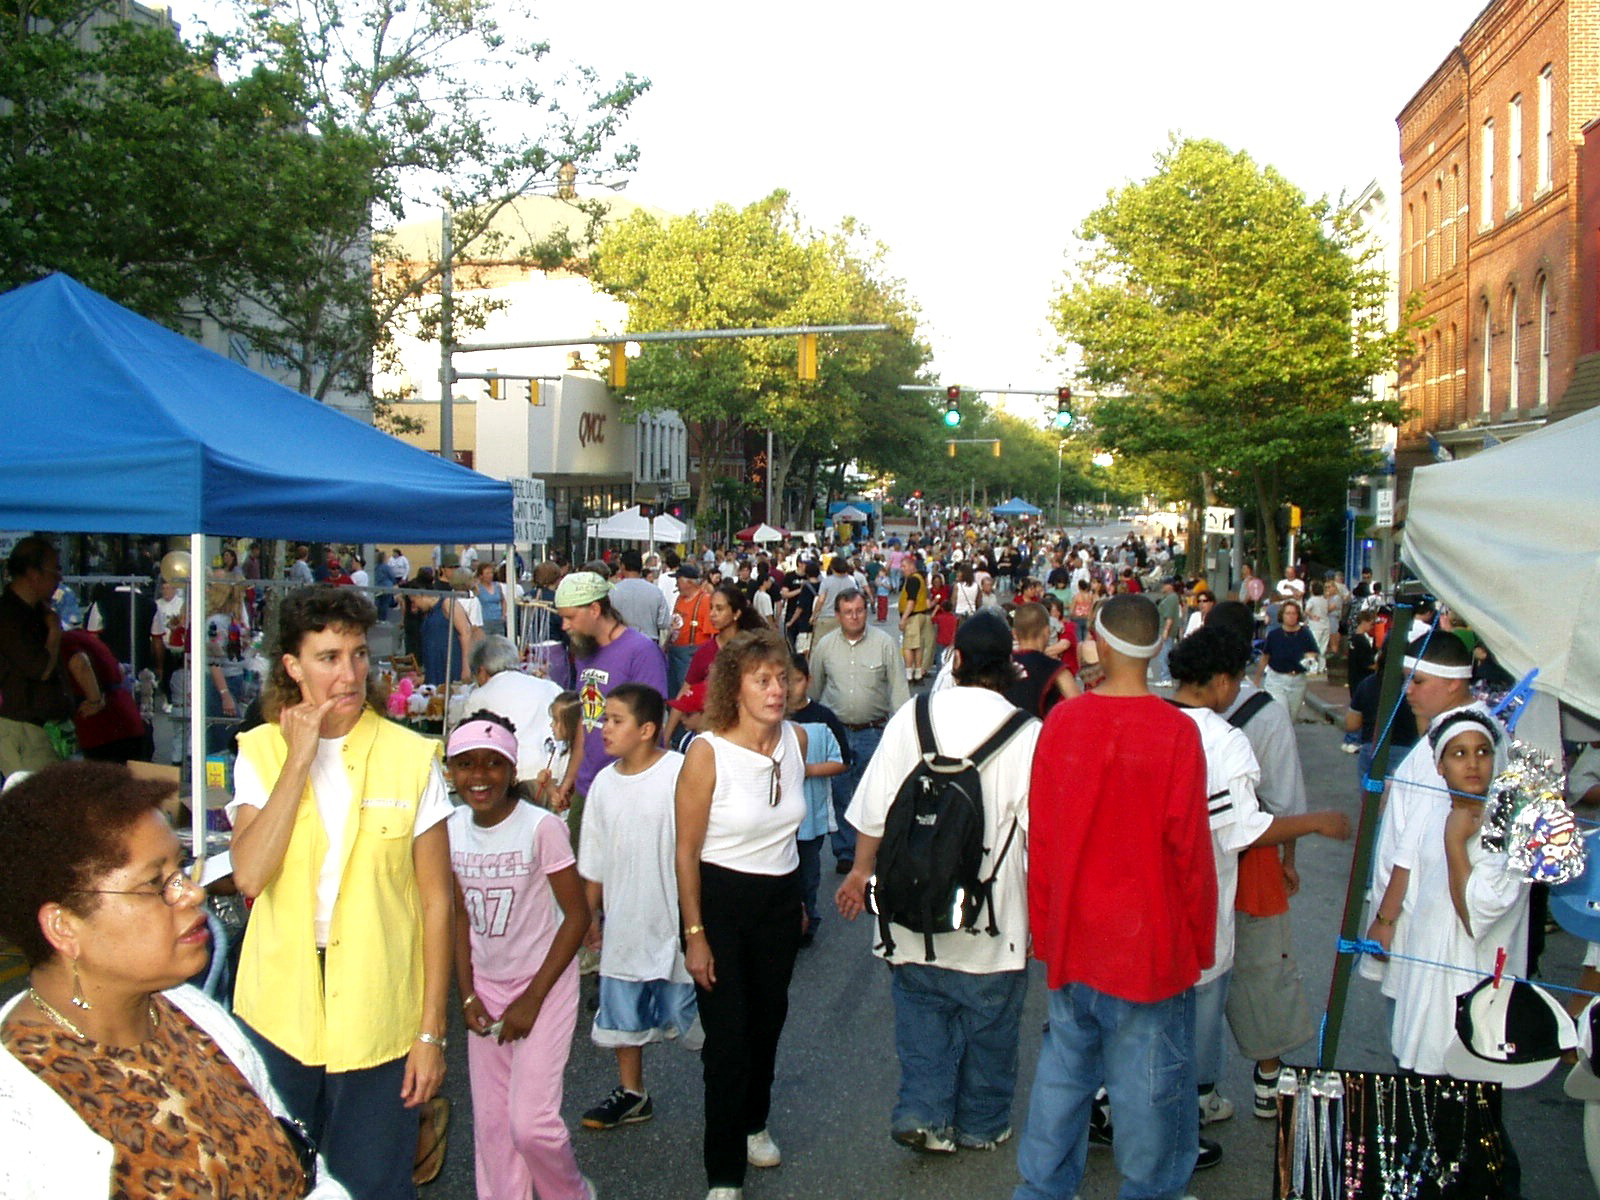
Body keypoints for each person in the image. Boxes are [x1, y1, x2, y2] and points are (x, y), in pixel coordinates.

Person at [0, 761, 349, 1199]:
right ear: (64, 926)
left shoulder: (192, 1015)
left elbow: (302, 1171)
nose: (192, 893)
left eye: (181, 870)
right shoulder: (18, 1115)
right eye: (154, 884)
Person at [226, 586, 452, 1199]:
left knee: (370, 1184)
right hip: (279, 1009)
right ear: (293, 667)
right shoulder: (262, 752)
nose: (349, 673)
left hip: (380, 1008)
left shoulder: (411, 755)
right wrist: (299, 758)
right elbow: (248, 874)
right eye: (328, 657)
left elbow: (437, 903)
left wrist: (431, 1034)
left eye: (358, 655)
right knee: (274, 1179)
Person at [1011, 594, 1217, 1200]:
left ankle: (1042, 1189)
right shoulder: (1178, 732)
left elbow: (1040, 839)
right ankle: (1149, 1190)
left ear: (1095, 642)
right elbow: (1191, 852)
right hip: (1151, 945)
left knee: (1064, 1074)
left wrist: (1045, 933)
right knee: (1151, 1087)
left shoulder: (1063, 724)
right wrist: (1199, 943)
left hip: (1076, 934)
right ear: (1159, 645)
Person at [837, 610, 1042, 1154]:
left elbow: (874, 809)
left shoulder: (914, 715)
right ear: (1011, 669)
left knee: (921, 1018)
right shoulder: (1027, 733)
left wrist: (860, 874)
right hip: (992, 921)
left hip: (911, 912)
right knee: (992, 1029)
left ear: (955, 661)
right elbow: (1041, 837)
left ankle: (924, 1112)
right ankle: (981, 1123)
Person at [1162, 627, 1349, 1129]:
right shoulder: (1224, 741)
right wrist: (1314, 823)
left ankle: (1129, 1101)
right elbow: (1243, 829)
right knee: (1201, 1002)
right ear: (1222, 681)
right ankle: (1193, 1109)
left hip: (1142, 905)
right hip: (1201, 902)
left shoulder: (1146, 721)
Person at [674, 629, 808, 1200]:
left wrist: (798, 900)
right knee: (727, 1043)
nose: (776, 690)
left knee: (767, 1024)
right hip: (721, 905)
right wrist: (695, 933)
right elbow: (683, 851)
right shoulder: (706, 754)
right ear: (736, 688)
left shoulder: (797, 741)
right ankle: (723, 1170)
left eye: (781, 679)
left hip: (779, 901)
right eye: (762, 681)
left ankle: (754, 1122)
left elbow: (793, 834)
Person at [446, 712, 593, 1200]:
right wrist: (466, 995)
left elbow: (576, 917)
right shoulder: (448, 831)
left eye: (493, 764)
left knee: (531, 1125)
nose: (480, 776)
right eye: (466, 764)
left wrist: (532, 998)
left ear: (512, 771)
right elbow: (458, 917)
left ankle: (570, 1193)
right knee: (493, 1129)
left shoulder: (542, 827)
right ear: (450, 771)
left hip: (542, 984)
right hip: (485, 986)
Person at [578, 685, 702, 1132]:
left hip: (677, 922)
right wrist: (588, 916)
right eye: (604, 719)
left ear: (647, 729)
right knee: (623, 1017)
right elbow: (593, 861)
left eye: (615, 720)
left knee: (703, 1020)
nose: (604, 729)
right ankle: (632, 1092)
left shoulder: (680, 773)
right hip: (627, 924)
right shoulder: (603, 787)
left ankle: (732, 1100)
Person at [1387, 704, 1528, 1074]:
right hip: (1426, 982)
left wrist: (1455, 842)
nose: (1473, 764)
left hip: (1475, 987)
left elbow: (1476, 915)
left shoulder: (1506, 826)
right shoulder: (1435, 812)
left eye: (1483, 752)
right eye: (1459, 753)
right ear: (1440, 766)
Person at [1363, 633, 1476, 994]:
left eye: (1419, 680)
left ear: (1454, 682)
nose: (1408, 690)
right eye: (1407, 679)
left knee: (1413, 1037)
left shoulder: (1459, 743)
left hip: (1418, 918)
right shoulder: (1449, 730)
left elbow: (1412, 844)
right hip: (1422, 912)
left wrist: (1385, 918)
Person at [554, 571, 669, 855]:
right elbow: (586, 719)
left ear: (595, 609)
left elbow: (651, 727)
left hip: (630, 789)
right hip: (588, 785)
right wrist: (570, 779)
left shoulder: (641, 651)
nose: (564, 625)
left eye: (570, 617)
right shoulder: (584, 652)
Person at [808, 589, 911, 875]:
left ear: (866, 611)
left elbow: (898, 689)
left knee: (874, 793)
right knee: (841, 792)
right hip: (837, 731)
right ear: (838, 615)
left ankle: (871, 850)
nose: (854, 617)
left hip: (873, 730)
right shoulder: (825, 646)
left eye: (859, 611)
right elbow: (814, 690)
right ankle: (845, 851)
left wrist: (903, 732)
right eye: (848, 612)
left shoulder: (884, 644)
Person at [0, 535, 72, 776]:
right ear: (33, 573)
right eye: (55, 570)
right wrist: (53, 632)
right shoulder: (9, 616)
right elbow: (39, 668)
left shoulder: (37, 611)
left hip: (42, 727)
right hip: (20, 727)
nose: (59, 579)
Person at [786, 656, 846, 946]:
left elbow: (842, 761)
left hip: (811, 815)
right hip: (780, 817)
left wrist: (808, 770)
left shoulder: (823, 718)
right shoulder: (773, 718)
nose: (789, 688)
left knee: (807, 873)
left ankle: (809, 919)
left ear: (807, 681)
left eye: (795, 680)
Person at [468, 634, 563, 786]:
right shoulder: (550, 687)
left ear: (482, 670)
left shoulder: (479, 696)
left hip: (515, 778)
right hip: (555, 773)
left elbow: (468, 740)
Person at [60, 627, 152, 763]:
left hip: (103, 729)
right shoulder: (80, 636)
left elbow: (80, 662)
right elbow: (119, 670)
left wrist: (94, 701)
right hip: (126, 717)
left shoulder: (64, 643)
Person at [1007, 602, 1079, 719]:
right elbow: (1079, 707)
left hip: (1007, 733)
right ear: (1047, 631)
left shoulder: (1001, 664)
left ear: (1014, 633)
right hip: (1040, 731)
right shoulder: (1057, 669)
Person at [1256, 600, 1319, 722]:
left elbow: (1313, 651)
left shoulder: (1305, 633)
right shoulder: (1274, 635)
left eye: (1294, 613)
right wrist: (1257, 679)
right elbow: (1265, 657)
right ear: (1282, 615)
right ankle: (1280, 740)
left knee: (1291, 718)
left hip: (1298, 680)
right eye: (1288, 613)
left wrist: (1309, 659)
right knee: (1281, 714)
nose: (1291, 616)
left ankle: (1285, 739)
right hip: (1277, 680)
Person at [611, 549, 673, 647]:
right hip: (649, 642)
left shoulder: (613, 592)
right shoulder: (655, 591)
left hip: (621, 642)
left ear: (622, 566)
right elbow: (663, 623)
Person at [669, 563, 713, 699]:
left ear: (689, 582)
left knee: (687, 694)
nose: (676, 585)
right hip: (674, 652)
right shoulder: (679, 599)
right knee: (673, 693)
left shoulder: (705, 600)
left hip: (691, 654)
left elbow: (712, 634)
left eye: (678, 580)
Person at [898, 558, 934, 681]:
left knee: (908, 646)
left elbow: (911, 601)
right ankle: (918, 672)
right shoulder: (920, 578)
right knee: (917, 646)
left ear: (912, 566)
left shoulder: (913, 579)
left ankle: (909, 673)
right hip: (921, 615)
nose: (902, 569)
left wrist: (904, 618)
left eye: (904, 566)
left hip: (913, 616)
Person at [473, 561, 513, 639]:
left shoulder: (497, 586)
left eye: (491, 573)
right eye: (487, 573)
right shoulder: (477, 588)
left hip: (498, 620)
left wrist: (504, 615)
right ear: (481, 575)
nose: (490, 575)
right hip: (485, 621)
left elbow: (503, 600)